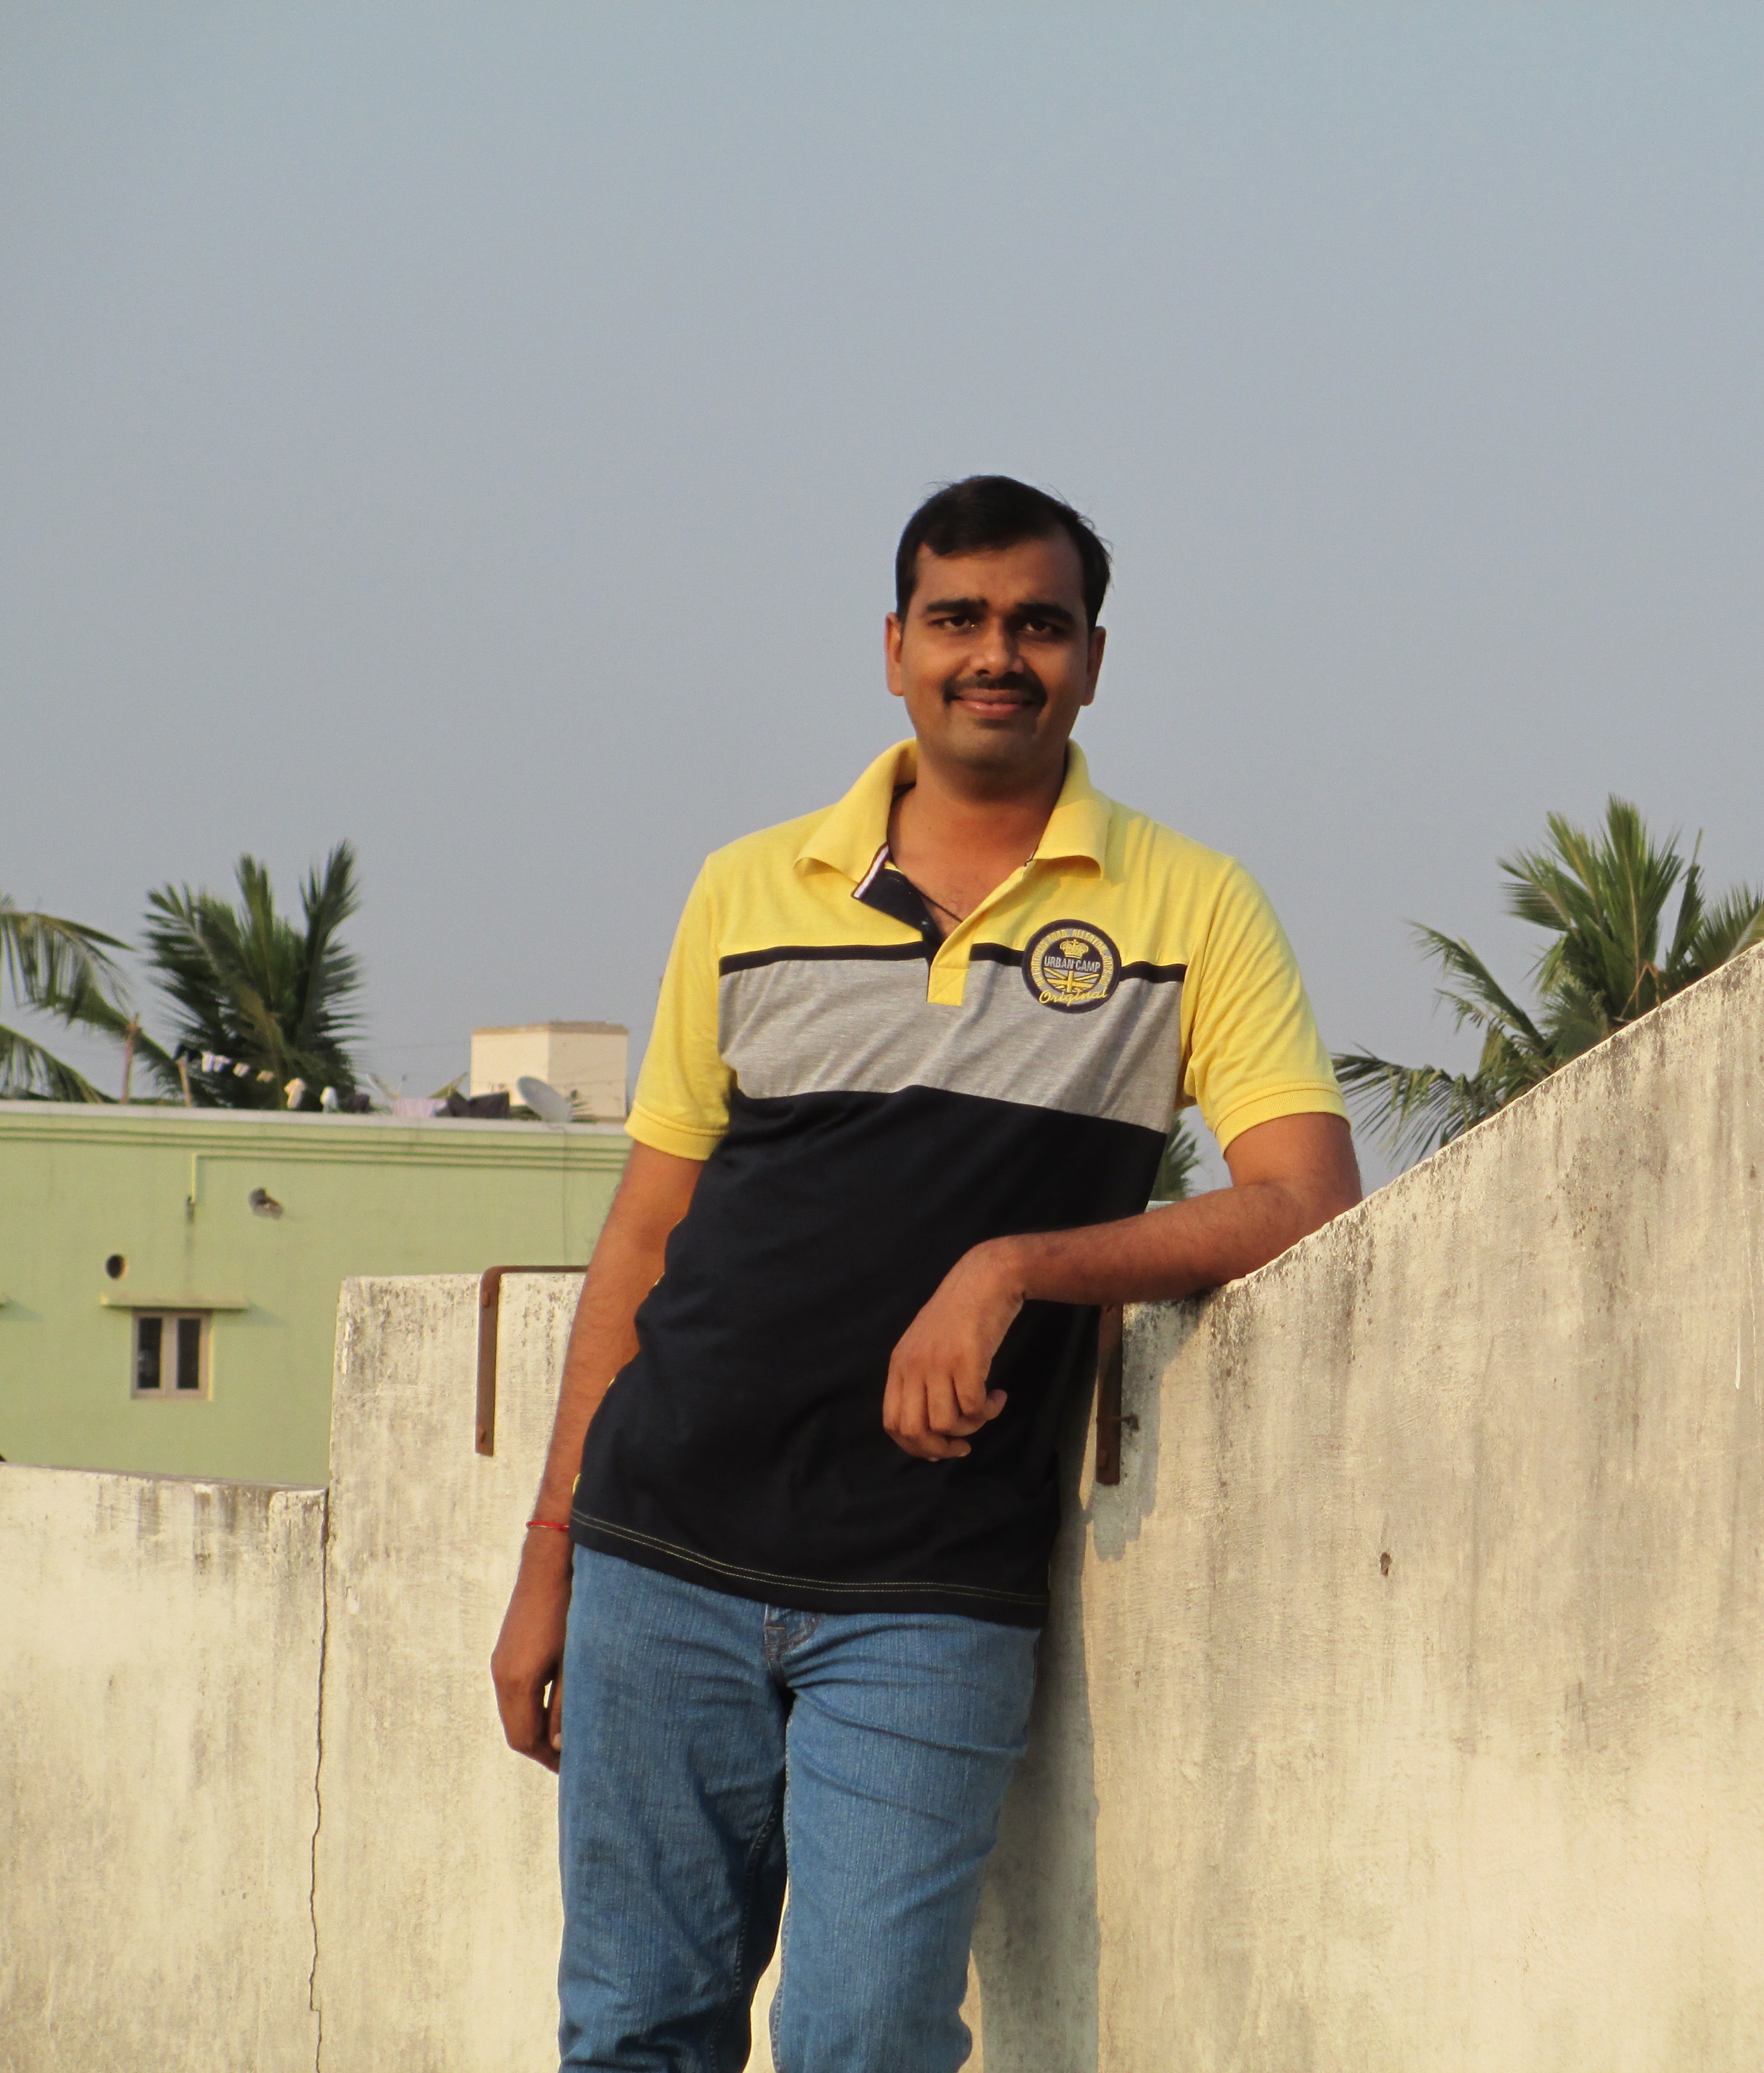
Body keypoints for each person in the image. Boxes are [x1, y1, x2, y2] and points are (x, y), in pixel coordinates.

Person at [489, 475, 1360, 2072]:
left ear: (1093, 658)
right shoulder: (749, 888)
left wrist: (1017, 1264)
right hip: (662, 1552)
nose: (997, 656)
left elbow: (1303, 1198)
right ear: (895, 649)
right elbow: (645, 1240)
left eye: (1039, 624)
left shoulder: (1192, 907)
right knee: (634, 2031)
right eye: (958, 619)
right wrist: (551, 1557)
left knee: (867, 2039)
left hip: (932, 1590)